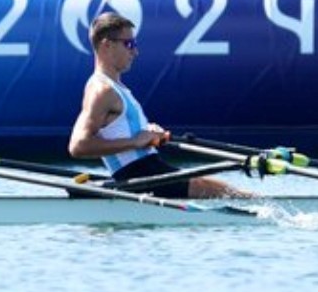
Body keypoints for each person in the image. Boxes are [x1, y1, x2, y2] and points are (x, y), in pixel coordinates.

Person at [68, 12, 248, 199]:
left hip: (150, 170)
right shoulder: (101, 89)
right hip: (138, 176)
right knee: (228, 193)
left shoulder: (117, 88)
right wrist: (134, 141)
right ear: (107, 45)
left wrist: (147, 133)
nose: (135, 52)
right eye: (129, 44)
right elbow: (78, 145)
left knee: (225, 190)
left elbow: (121, 130)